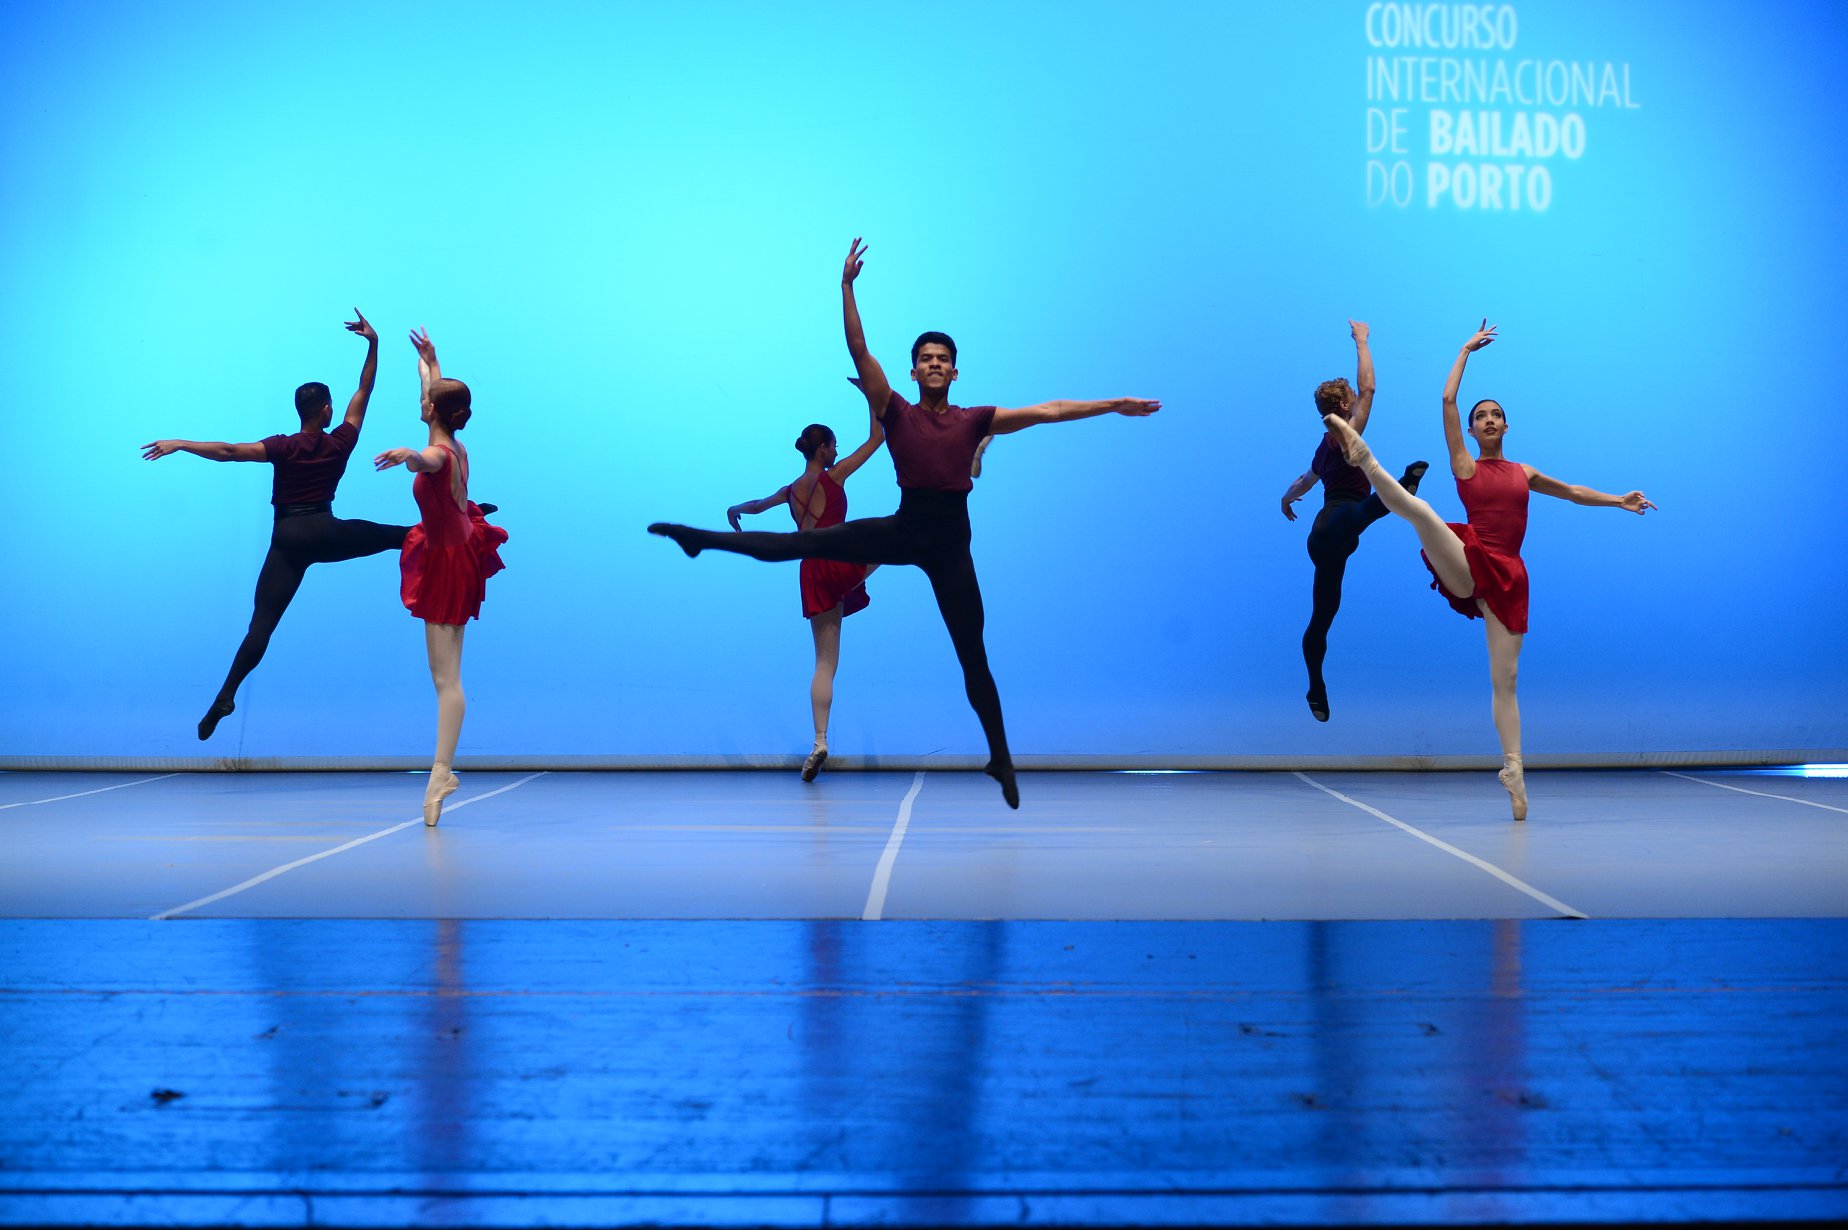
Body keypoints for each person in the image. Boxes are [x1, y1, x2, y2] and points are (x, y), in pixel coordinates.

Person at [651, 238, 1161, 809]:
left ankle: (1000, 756)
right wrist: (845, 286)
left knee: (973, 652)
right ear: (914, 370)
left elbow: (1051, 411)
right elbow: (857, 347)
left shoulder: (976, 420)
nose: (935, 364)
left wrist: (1114, 403)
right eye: (926, 358)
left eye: (943, 358)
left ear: (955, 371)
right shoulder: (895, 411)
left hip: (950, 546)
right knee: (804, 543)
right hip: (905, 527)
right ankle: (700, 540)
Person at [1322, 321, 1654, 820]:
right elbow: (1447, 402)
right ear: (1473, 431)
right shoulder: (1465, 464)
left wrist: (1618, 501)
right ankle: (1365, 459)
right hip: (1468, 556)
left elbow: (1572, 492)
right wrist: (1464, 351)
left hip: (1508, 578)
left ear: (1507, 426)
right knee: (1422, 512)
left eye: (1497, 415)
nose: (1490, 420)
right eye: (1483, 416)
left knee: (1506, 680)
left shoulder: (1524, 472)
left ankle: (1514, 769)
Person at [143, 311, 409, 740]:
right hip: (325, 530)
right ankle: (463, 520)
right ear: (325, 410)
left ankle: (226, 693)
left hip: (287, 539)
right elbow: (365, 390)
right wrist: (373, 344)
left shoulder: (283, 447)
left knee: (261, 625)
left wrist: (180, 443)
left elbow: (229, 451)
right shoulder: (342, 439)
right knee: (394, 536)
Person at [373, 330, 508, 826]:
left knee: (446, 678)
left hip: (449, 560)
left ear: (433, 410)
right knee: (443, 675)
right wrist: (430, 360)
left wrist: (406, 455)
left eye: (426, 399)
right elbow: (430, 392)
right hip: (452, 546)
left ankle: (440, 774)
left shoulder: (439, 453)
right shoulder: (449, 436)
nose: (421, 400)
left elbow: (426, 460)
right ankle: (440, 773)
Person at [725, 407, 886, 781]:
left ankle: (819, 742)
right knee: (892, 541)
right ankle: (919, 544)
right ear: (824, 449)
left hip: (811, 571)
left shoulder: (791, 490)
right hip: (840, 561)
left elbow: (757, 506)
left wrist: (734, 509)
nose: (837, 451)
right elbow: (877, 439)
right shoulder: (837, 476)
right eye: (834, 445)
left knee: (823, 664)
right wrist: (870, 398)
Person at [1280, 320, 1428, 721]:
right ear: (1345, 407)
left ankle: (1315, 687)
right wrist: (1362, 340)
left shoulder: (1323, 447)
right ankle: (1401, 489)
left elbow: (1304, 480)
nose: (1359, 401)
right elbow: (1371, 389)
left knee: (1322, 617)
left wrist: (1286, 499)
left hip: (1324, 537)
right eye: (1352, 399)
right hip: (1343, 518)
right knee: (1365, 511)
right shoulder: (1345, 435)